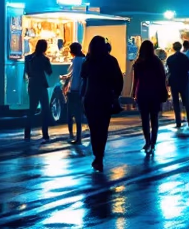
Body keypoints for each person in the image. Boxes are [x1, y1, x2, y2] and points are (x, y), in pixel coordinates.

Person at [82, 36, 124, 171]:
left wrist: (82, 97)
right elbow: (119, 80)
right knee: (103, 128)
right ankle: (99, 156)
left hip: (90, 97)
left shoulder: (88, 62)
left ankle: (97, 155)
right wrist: (116, 95)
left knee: (94, 129)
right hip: (105, 97)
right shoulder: (111, 61)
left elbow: (84, 81)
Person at [132, 40, 167, 153]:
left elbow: (135, 80)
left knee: (144, 119)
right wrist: (164, 91)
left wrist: (133, 94)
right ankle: (153, 142)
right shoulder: (157, 62)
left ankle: (147, 141)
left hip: (142, 92)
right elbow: (162, 78)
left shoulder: (138, 62)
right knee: (154, 118)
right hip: (155, 93)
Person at [24, 39, 53, 141]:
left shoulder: (28, 58)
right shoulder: (45, 59)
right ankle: (45, 133)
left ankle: (27, 133)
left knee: (31, 109)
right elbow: (49, 72)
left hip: (32, 84)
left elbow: (27, 71)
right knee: (45, 110)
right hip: (41, 85)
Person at [60, 42, 86, 143]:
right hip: (79, 90)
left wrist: (66, 84)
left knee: (70, 114)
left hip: (74, 91)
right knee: (78, 115)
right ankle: (78, 137)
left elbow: (74, 75)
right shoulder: (84, 59)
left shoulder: (76, 60)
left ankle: (72, 135)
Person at [166, 41, 189, 128]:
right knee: (186, 102)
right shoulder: (185, 58)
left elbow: (168, 70)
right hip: (184, 81)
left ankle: (178, 122)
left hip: (174, 82)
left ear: (173, 48)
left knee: (176, 102)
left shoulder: (170, 58)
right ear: (181, 47)